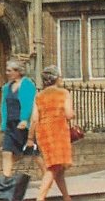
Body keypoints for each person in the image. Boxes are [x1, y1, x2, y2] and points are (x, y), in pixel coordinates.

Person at [27, 66, 74, 201]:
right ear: (56, 78)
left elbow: (34, 119)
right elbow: (69, 114)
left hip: (43, 134)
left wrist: (30, 138)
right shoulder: (63, 93)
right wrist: (73, 113)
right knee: (53, 167)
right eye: (60, 77)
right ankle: (40, 198)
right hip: (58, 132)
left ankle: (66, 197)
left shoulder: (39, 96)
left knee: (57, 167)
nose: (61, 79)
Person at [0, 60, 44, 177]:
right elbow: (4, 106)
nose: (7, 73)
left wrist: (24, 119)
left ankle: (47, 175)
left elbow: (29, 104)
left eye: (9, 71)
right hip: (11, 124)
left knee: (33, 153)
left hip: (24, 125)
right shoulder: (6, 87)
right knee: (6, 152)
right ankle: (5, 180)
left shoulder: (27, 84)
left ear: (18, 72)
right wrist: (4, 124)